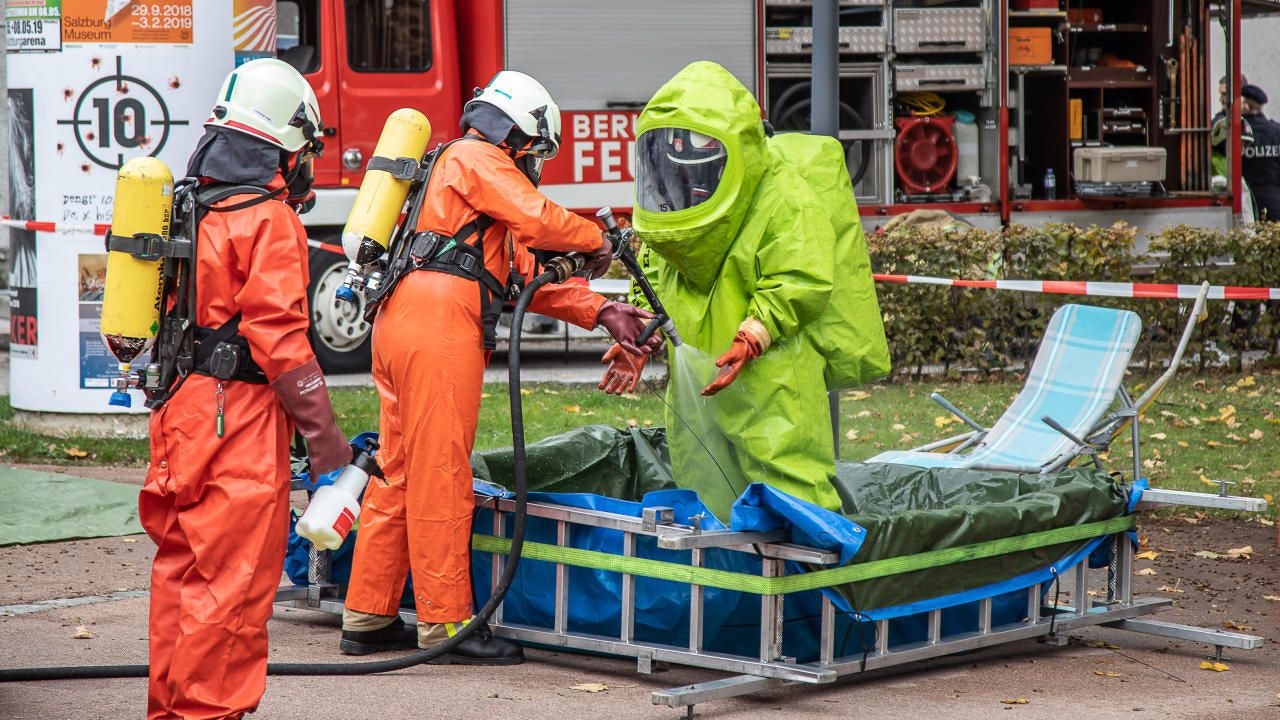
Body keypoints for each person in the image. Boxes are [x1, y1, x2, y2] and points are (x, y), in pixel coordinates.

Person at [339, 70, 660, 661]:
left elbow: (521, 279)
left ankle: (368, 613)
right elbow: (538, 219)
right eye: (536, 152)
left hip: (403, 321)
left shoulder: (458, 187)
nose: (534, 165)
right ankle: (446, 623)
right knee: (441, 473)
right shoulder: (474, 157)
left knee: (399, 469)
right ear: (519, 135)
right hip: (436, 328)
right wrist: (594, 239)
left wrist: (603, 310)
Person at [139, 58, 351, 719]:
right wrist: (325, 437)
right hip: (240, 421)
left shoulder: (190, 204)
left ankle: (172, 709)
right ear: (285, 144)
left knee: (181, 571)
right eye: (307, 149)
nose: (309, 164)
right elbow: (281, 340)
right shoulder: (268, 219)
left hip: (182, 408)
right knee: (231, 588)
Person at [599, 61, 847, 520]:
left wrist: (753, 335)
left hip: (771, 382)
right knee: (704, 493)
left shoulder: (785, 199)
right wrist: (641, 335)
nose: (684, 174)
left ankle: (801, 591)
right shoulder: (677, 210)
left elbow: (800, 275)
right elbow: (653, 277)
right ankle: (724, 587)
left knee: (792, 495)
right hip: (697, 388)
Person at [1240, 84, 1280, 220]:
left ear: (1245, 105)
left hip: (1247, 204)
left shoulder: (1239, 133)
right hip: (1275, 202)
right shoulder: (1276, 131)